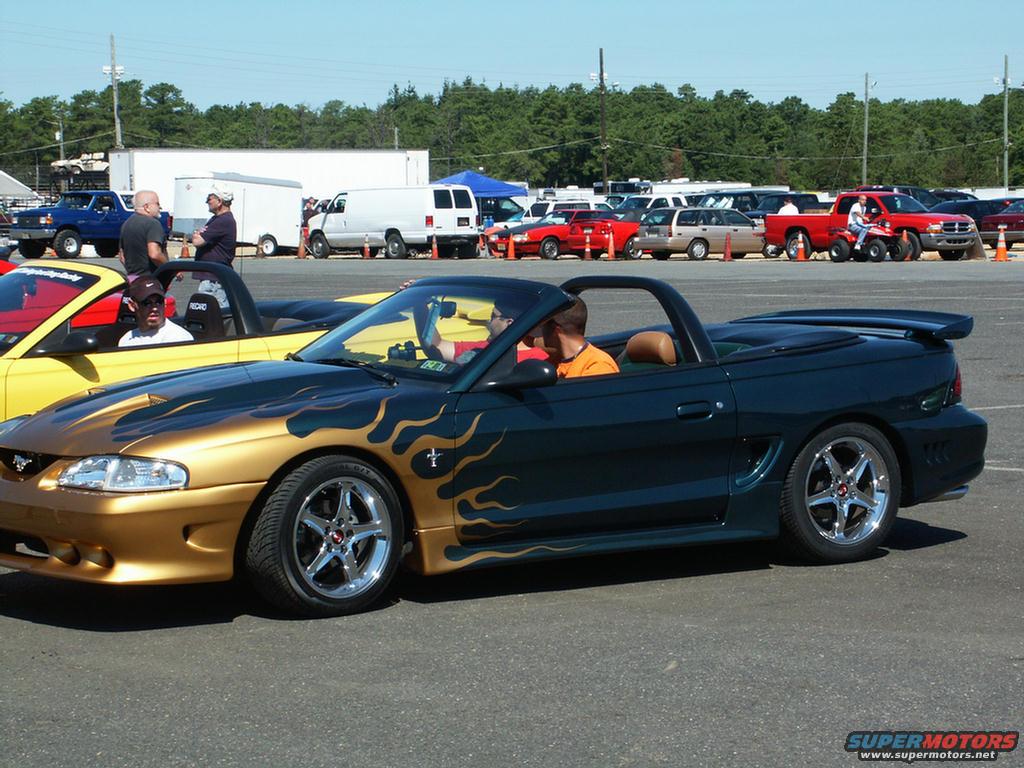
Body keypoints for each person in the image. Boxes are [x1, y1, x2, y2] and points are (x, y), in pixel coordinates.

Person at [413, 291, 549, 365]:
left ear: (509, 322)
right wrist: (418, 304)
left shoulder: (537, 360)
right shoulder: (481, 348)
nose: (489, 321)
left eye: (493, 316)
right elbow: (436, 346)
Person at [542, 296, 619, 379]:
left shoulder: (597, 366)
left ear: (556, 331)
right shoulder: (555, 361)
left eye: (543, 324)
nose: (540, 331)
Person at [191, 186, 237, 309]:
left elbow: (197, 241)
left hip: (213, 279)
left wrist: (197, 234)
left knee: (215, 312)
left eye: (209, 198)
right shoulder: (216, 219)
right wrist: (197, 234)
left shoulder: (223, 220)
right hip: (212, 276)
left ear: (219, 201)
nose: (207, 202)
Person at [118, 276, 193, 347]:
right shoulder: (126, 340)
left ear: (165, 303)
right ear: (132, 305)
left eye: (159, 302)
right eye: (147, 303)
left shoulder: (179, 339)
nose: (154, 308)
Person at [118, 190, 168, 278]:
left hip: (132, 279)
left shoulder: (126, 224)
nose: (160, 207)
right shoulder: (153, 224)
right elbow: (154, 254)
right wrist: (169, 269)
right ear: (146, 207)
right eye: (157, 204)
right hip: (151, 279)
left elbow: (122, 257)